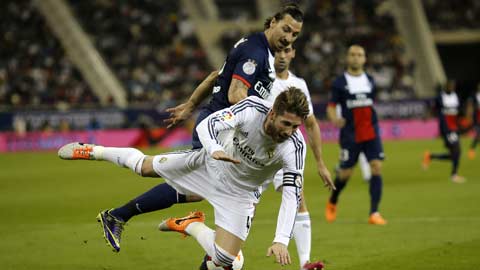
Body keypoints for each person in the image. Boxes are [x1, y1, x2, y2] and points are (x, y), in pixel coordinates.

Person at [78, 4, 309, 256]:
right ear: (272, 22)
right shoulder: (256, 53)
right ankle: (129, 214)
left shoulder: (256, 49)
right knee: (198, 184)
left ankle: (124, 215)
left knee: (192, 185)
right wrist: (256, 118)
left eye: (295, 35)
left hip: (219, 124)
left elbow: (215, 75)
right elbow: (235, 94)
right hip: (221, 129)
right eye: (286, 29)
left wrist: (191, 104)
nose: (288, 38)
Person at [59, 88, 310, 269]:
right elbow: (207, 125)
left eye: (295, 127)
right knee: (145, 167)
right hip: (209, 165)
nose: (289, 132)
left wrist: (280, 241)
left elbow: (291, 195)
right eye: (286, 123)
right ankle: (93, 150)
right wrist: (213, 149)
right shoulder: (252, 109)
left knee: (225, 260)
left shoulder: (294, 147)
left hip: (240, 194)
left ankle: (189, 225)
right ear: (273, 112)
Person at [259, 44, 329, 270]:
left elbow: (311, 124)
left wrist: (320, 163)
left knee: (298, 198)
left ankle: (304, 263)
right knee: (241, 198)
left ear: (293, 53)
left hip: (284, 150)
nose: (282, 55)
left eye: (287, 50)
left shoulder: (299, 85)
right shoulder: (262, 78)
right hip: (256, 150)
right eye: (278, 51)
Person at [325, 45, 387, 225]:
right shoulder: (339, 82)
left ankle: (374, 213)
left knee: (376, 167)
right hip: (350, 134)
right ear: (347, 58)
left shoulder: (370, 80)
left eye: (359, 55)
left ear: (365, 59)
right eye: (352, 54)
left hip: (371, 131)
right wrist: (334, 119)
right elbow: (331, 106)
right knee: (345, 174)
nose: (356, 58)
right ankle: (333, 200)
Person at [423, 80, 466, 183]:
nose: (451, 87)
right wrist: (428, 116)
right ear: (446, 87)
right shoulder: (440, 97)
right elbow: (433, 108)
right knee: (457, 151)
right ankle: (454, 175)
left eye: (453, 86)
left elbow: (458, 111)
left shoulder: (456, 97)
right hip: (446, 128)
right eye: (449, 86)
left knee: (454, 155)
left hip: (454, 127)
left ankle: (430, 156)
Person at [468, 84, 480, 160]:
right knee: (479, 134)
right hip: (478, 117)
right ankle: (472, 148)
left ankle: (472, 148)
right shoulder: (475, 96)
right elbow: (471, 105)